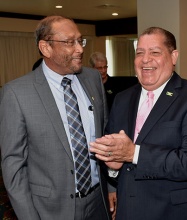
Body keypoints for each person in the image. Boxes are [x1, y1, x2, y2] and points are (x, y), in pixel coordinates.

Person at [89, 27, 187, 220]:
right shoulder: (122, 99)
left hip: (172, 213)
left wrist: (134, 153)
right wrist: (112, 168)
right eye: (140, 52)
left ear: (174, 56)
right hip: (128, 210)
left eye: (155, 52)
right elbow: (114, 160)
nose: (145, 59)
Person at [0, 15, 111, 220]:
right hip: (51, 210)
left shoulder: (93, 79)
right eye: (70, 42)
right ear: (46, 48)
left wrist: (112, 187)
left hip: (98, 201)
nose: (79, 49)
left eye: (80, 40)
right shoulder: (16, 93)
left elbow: (105, 136)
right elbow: (13, 167)